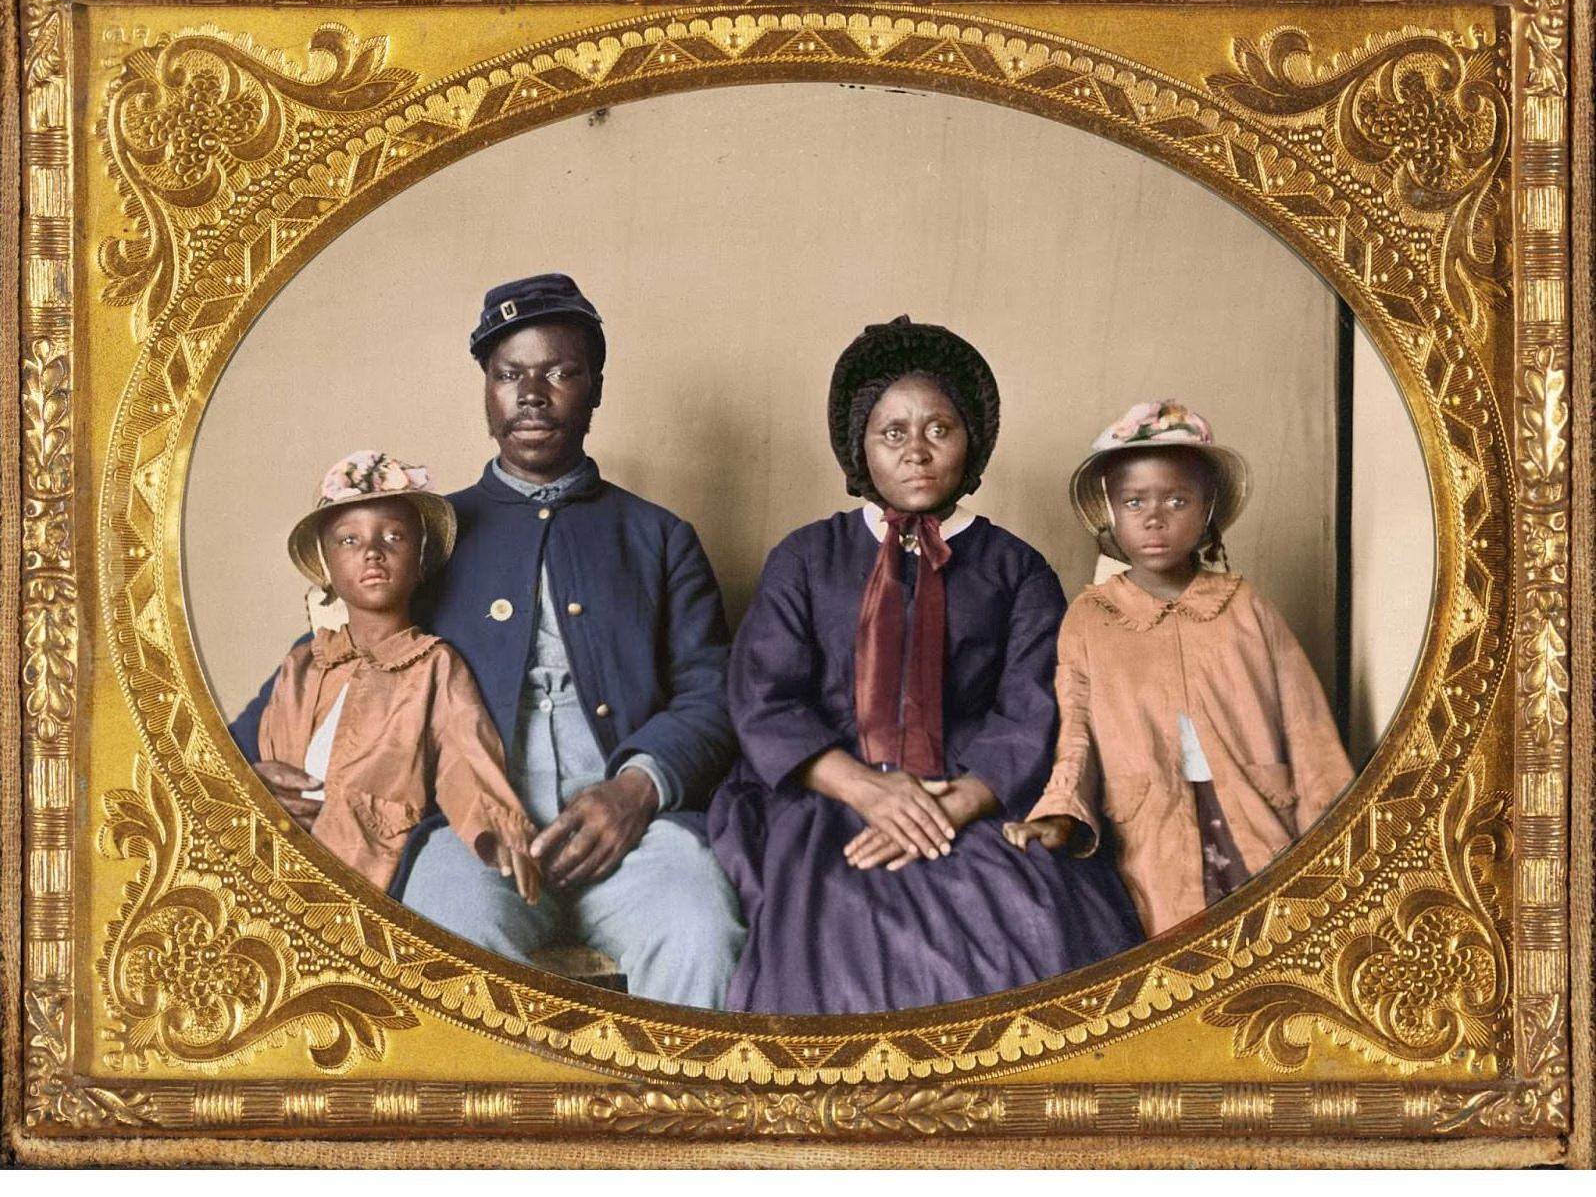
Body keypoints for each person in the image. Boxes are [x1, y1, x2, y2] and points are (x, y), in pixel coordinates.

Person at [233, 276, 745, 1006]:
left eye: (561, 372)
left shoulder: (659, 538)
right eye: (511, 375)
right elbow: (330, 655)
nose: (533, 393)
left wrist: (637, 790)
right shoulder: (429, 534)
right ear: (486, 391)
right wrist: (247, 773)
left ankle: (677, 1123)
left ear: (596, 389)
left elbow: (713, 694)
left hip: (636, 830)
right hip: (467, 831)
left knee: (700, 930)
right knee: (449, 938)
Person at [708, 318, 1142, 1013]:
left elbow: (1035, 704)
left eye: (940, 429)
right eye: (893, 433)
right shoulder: (805, 558)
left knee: (1028, 923)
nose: (917, 452)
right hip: (829, 787)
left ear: (971, 442)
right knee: (830, 936)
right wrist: (866, 790)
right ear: (861, 445)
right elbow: (764, 698)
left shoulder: (1016, 568)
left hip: (973, 792)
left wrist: (960, 803)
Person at [1004, 400, 1355, 939]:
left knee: (1280, 940)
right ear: (1112, 515)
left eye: (1176, 499)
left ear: (1207, 510)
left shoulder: (1244, 606)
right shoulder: (1091, 617)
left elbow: (1307, 728)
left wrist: (1338, 840)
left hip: (1256, 815)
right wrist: (1059, 810)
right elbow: (1075, 732)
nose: (1154, 517)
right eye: (1134, 501)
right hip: (1150, 827)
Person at [255, 450, 541, 898]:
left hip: (367, 877)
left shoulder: (433, 666)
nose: (372, 552)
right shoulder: (304, 665)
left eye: (394, 537)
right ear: (327, 566)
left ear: (421, 560)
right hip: (276, 869)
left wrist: (497, 831)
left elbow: (467, 760)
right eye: (350, 541)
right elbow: (258, 758)